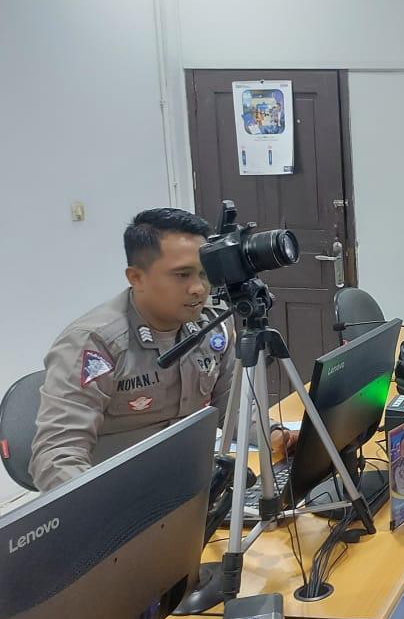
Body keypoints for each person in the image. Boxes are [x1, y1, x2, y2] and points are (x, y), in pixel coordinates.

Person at [29, 208, 298, 492]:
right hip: (119, 495)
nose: (198, 289)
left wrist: (275, 434)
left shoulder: (213, 323)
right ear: (136, 278)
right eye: (182, 275)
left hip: (192, 485)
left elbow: (234, 407)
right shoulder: (95, 343)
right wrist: (101, 511)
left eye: (204, 274)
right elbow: (56, 456)